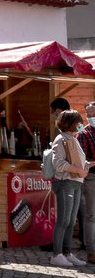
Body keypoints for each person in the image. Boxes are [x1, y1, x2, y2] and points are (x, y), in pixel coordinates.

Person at [49, 110, 94, 268]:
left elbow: (78, 162)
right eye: (78, 122)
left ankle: (67, 253)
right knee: (63, 220)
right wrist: (79, 170)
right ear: (71, 123)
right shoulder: (61, 140)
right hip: (65, 183)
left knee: (71, 220)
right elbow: (59, 164)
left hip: (75, 183)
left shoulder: (73, 139)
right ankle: (57, 254)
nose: (81, 125)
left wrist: (88, 165)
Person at [78, 102, 95, 264]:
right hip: (91, 178)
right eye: (88, 115)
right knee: (91, 215)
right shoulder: (83, 134)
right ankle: (91, 251)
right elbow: (83, 160)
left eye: (92, 115)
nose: (90, 118)